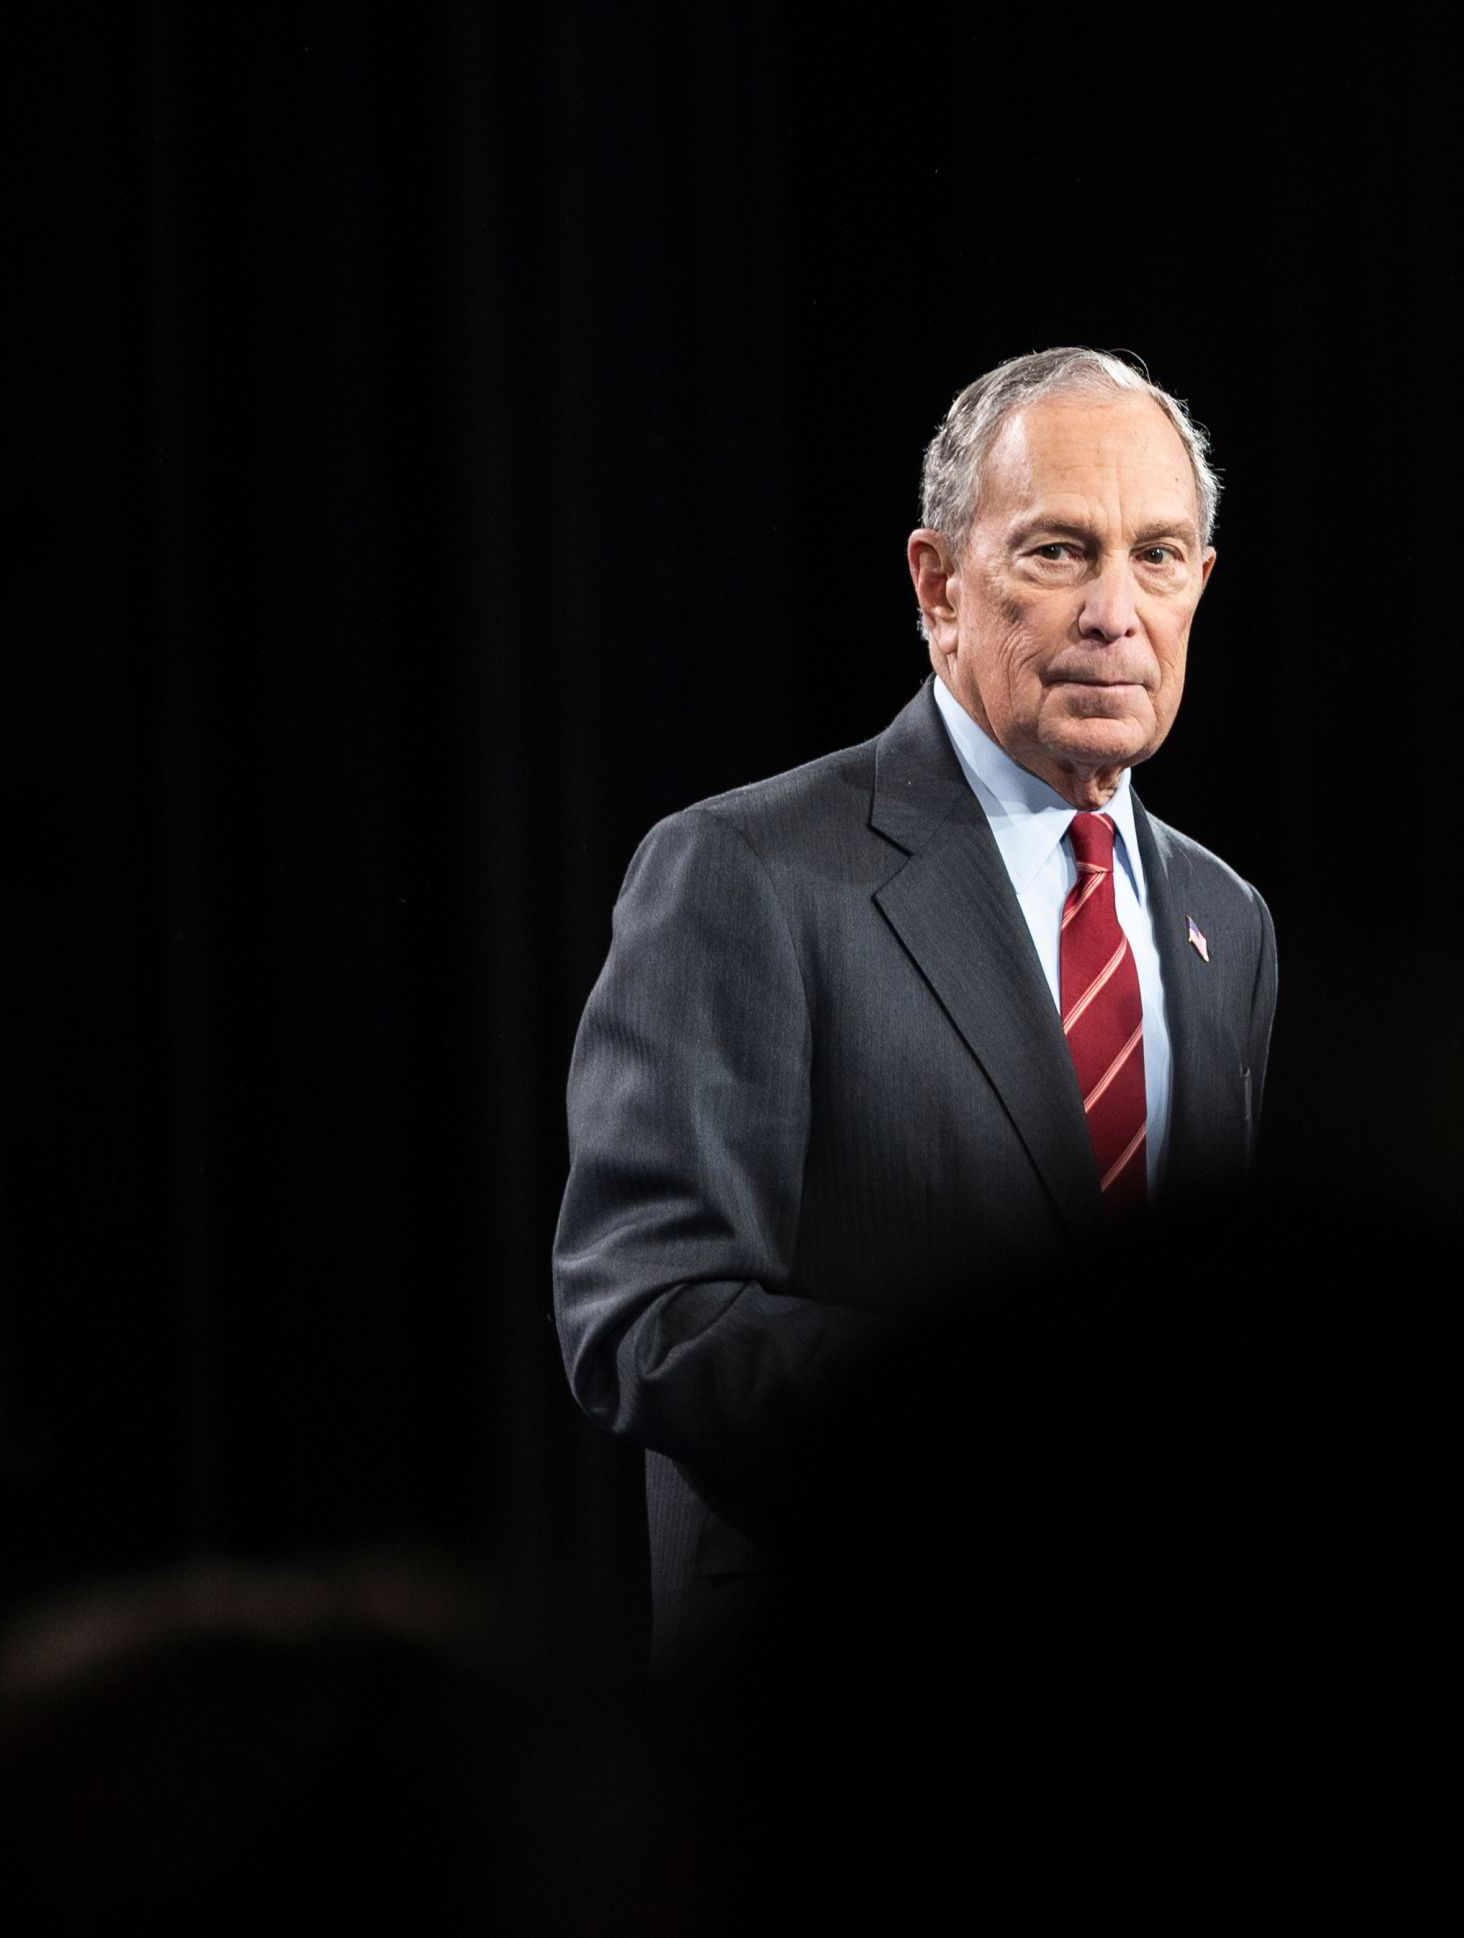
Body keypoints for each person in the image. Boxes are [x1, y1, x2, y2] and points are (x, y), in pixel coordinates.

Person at [552, 348, 1278, 1671]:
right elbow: (647, 1319)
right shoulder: (748, 873)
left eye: (1159, 557)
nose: (1115, 613)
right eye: (1060, 551)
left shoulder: (1227, 923)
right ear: (940, 586)